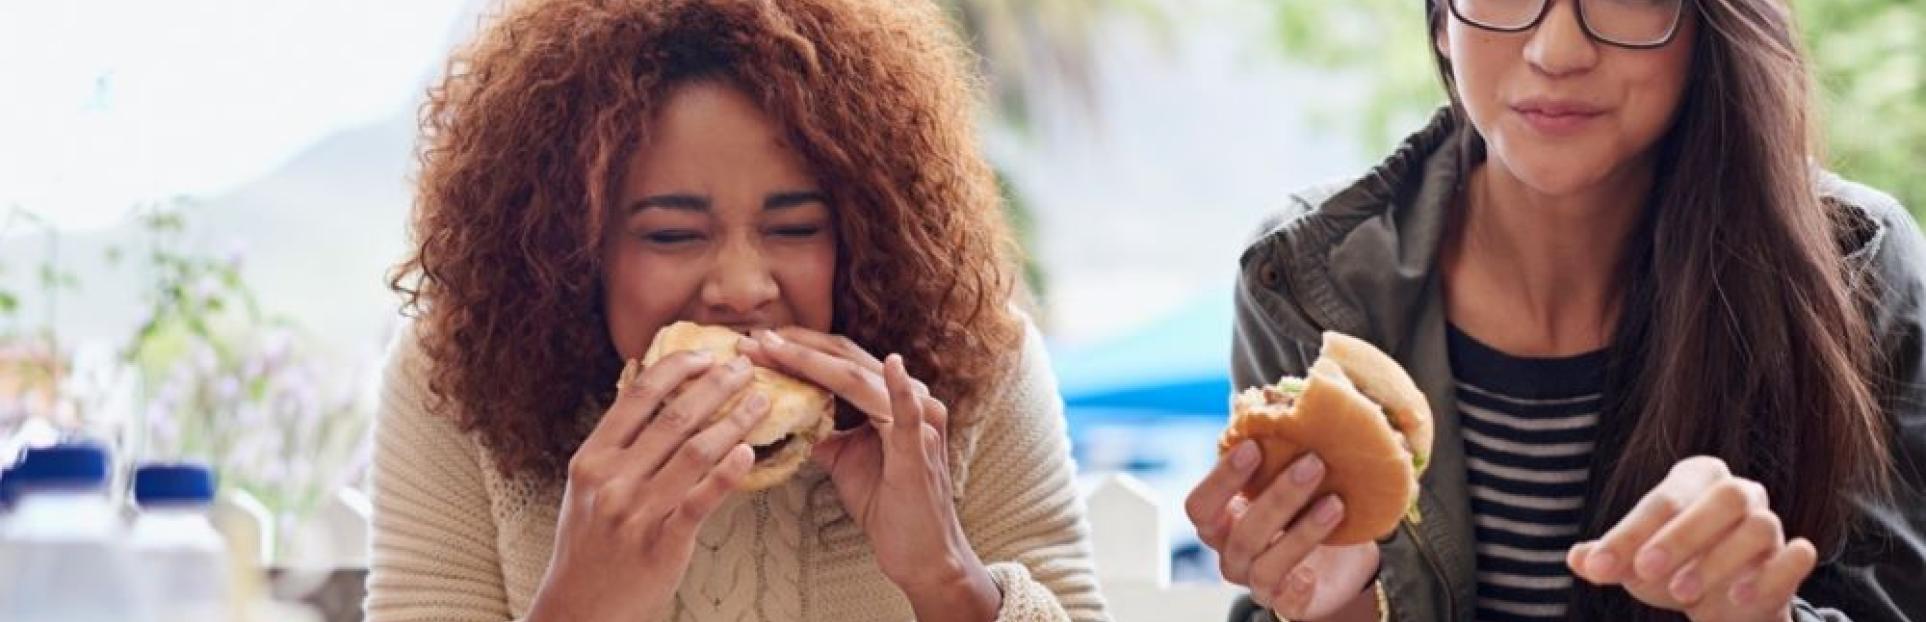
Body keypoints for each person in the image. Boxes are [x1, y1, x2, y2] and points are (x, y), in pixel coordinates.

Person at [1187, 0, 1926, 619]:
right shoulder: (1308, 285)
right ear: (1443, 19)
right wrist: (1340, 604)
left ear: (1707, 27)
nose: (1558, 48)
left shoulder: (1855, 272)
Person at [367, 1, 1104, 620]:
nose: (743, 287)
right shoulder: (456, 384)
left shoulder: (973, 360)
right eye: (672, 234)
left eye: (795, 228)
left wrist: (948, 578)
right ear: (569, 251)